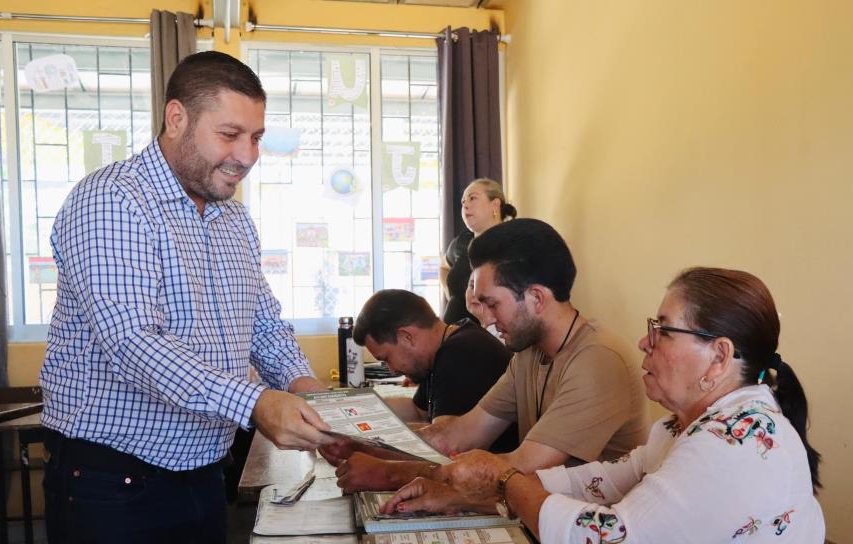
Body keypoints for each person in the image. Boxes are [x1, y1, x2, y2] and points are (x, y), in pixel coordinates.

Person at [38, 51, 336, 543]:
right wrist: (258, 404)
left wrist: (302, 384)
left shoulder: (233, 219)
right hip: (113, 483)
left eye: (256, 137)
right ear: (176, 119)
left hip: (203, 473)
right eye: (229, 134)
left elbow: (262, 323)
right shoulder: (113, 200)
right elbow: (134, 343)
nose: (246, 156)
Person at [387, 267, 825, 543]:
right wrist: (469, 495)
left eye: (663, 331)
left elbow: (608, 534)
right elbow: (601, 482)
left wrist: (502, 480)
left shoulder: (729, 444)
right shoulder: (680, 428)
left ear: (719, 356)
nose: (643, 342)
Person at [322, 218, 649, 497]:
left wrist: (388, 473)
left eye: (492, 304)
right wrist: (361, 446)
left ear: (535, 297)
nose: (487, 320)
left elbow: (519, 469)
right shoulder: (527, 355)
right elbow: (459, 433)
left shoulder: (597, 360)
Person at [351, 289, 518, 452]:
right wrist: (360, 409)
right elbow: (418, 412)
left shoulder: (461, 352)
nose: (392, 370)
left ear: (406, 337)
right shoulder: (443, 349)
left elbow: (443, 440)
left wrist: (364, 440)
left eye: (386, 358)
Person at [440, 178, 517, 324]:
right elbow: (443, 266)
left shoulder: (512, 243)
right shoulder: (460, 242)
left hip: (492, 338)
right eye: (463, 202)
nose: (465, 205)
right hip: (453, 336)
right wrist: (450, 294)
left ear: (495, 204)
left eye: (472, 198)